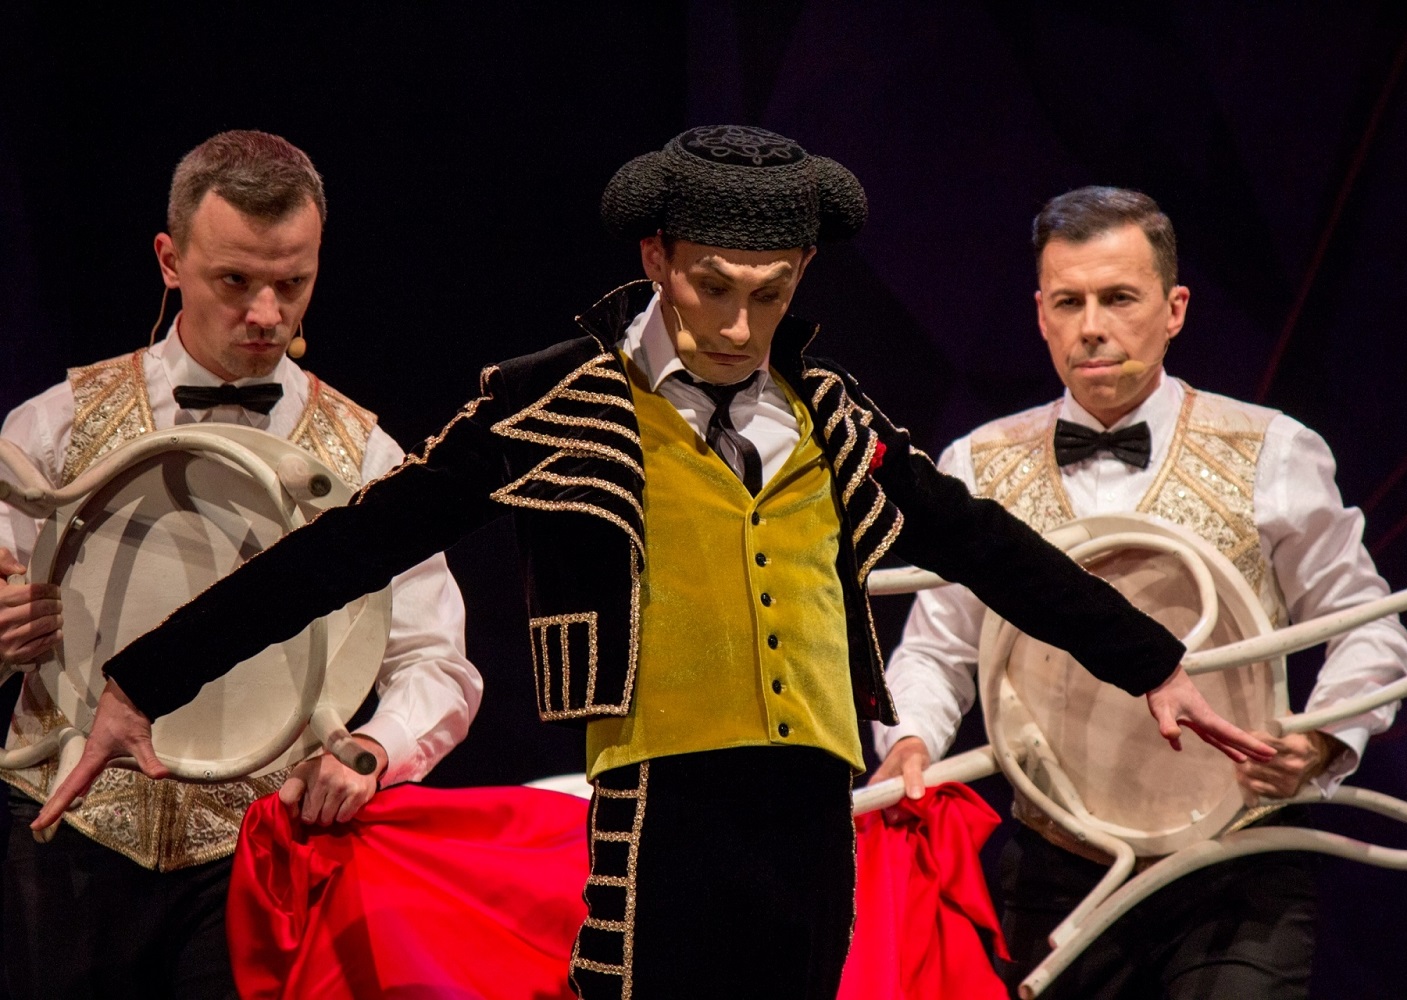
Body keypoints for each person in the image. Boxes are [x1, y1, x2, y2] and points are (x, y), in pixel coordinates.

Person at [36, 129, 1270, 1000]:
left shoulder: (832, 413)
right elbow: (347, 547)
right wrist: (147, 676)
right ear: (658, 260)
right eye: (712, 288)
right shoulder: (557, 404)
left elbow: (986, 544)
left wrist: (1151, 660)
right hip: (661, 817)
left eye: (769, 295)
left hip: (810, 820)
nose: (736, 325)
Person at [870, 185, 1407, 999]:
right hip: (1056, 865)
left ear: (1174, 309)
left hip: (1238, 865)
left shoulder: (1272, 450)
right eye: (1070, 302)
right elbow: (939, 649)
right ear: (1041, 315)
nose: (1092, 325)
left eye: (1120, 298)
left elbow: (1369, 627)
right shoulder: (976, 465)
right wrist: (911, 739)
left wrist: (1325, 740)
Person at [0, 130, 482, 998]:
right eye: (235, 281)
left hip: (256, 857)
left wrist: (373, 751)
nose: (266, 314)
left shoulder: (368, 461)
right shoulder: (51, 429)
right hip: (63, 840)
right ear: (169, 260)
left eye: (292, 283)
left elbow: (436, 660)